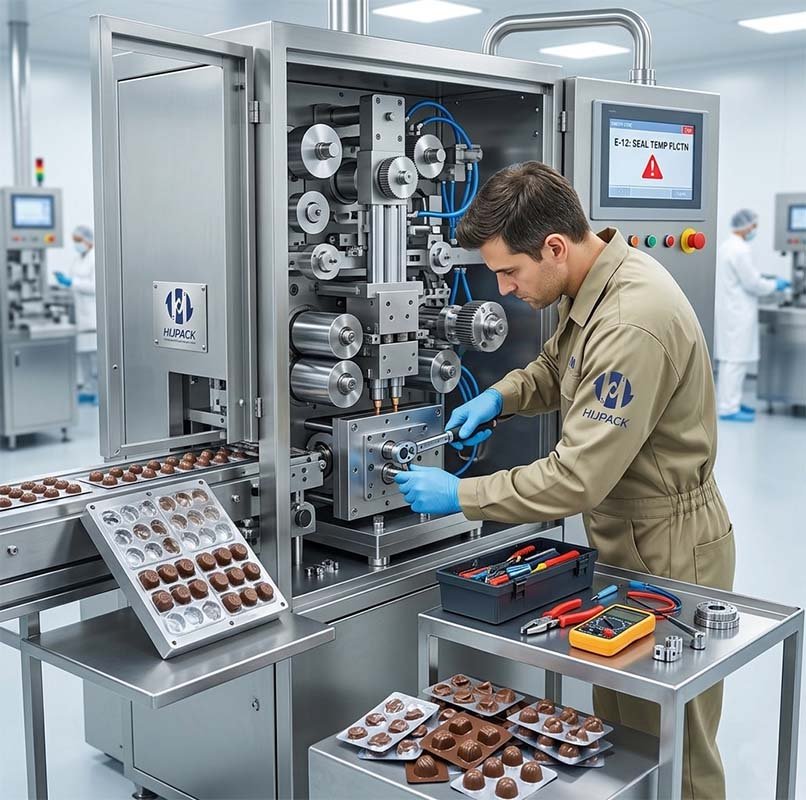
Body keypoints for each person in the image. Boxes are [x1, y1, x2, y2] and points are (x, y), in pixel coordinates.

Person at [395, 162, 735, 799]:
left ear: (554, 246)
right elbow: (558, 368)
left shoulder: (631, 320)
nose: (503, 289)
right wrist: (499, 397)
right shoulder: (591, 285)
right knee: (627, 730)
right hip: (627, 533)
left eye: (509, 272)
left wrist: (460, 495)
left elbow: (577, 478)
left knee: (676, 750)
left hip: (670, 543)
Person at [714, 209, 790, 421]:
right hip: (738, 312)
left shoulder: (726, 246)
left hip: (730, 310)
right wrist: (775, 285)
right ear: (747, 226)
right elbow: (753, 283)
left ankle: (731, 402)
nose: (754, 230)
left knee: (731, 361)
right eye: (753, 226)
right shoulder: (740, 250)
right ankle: (728, 408)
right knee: (735, 361)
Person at [55, 225, 97, 404]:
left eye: (78, 240)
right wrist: (65, 282)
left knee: (95, 358)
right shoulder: (78, 259)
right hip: (81, 317)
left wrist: (72, 282)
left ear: (87, 240)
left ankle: (100, 392)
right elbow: (74, 282)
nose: (76, 244)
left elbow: (96, 286)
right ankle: (88, 389)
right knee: (84, 356)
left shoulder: (96, 258)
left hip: (93, 316)